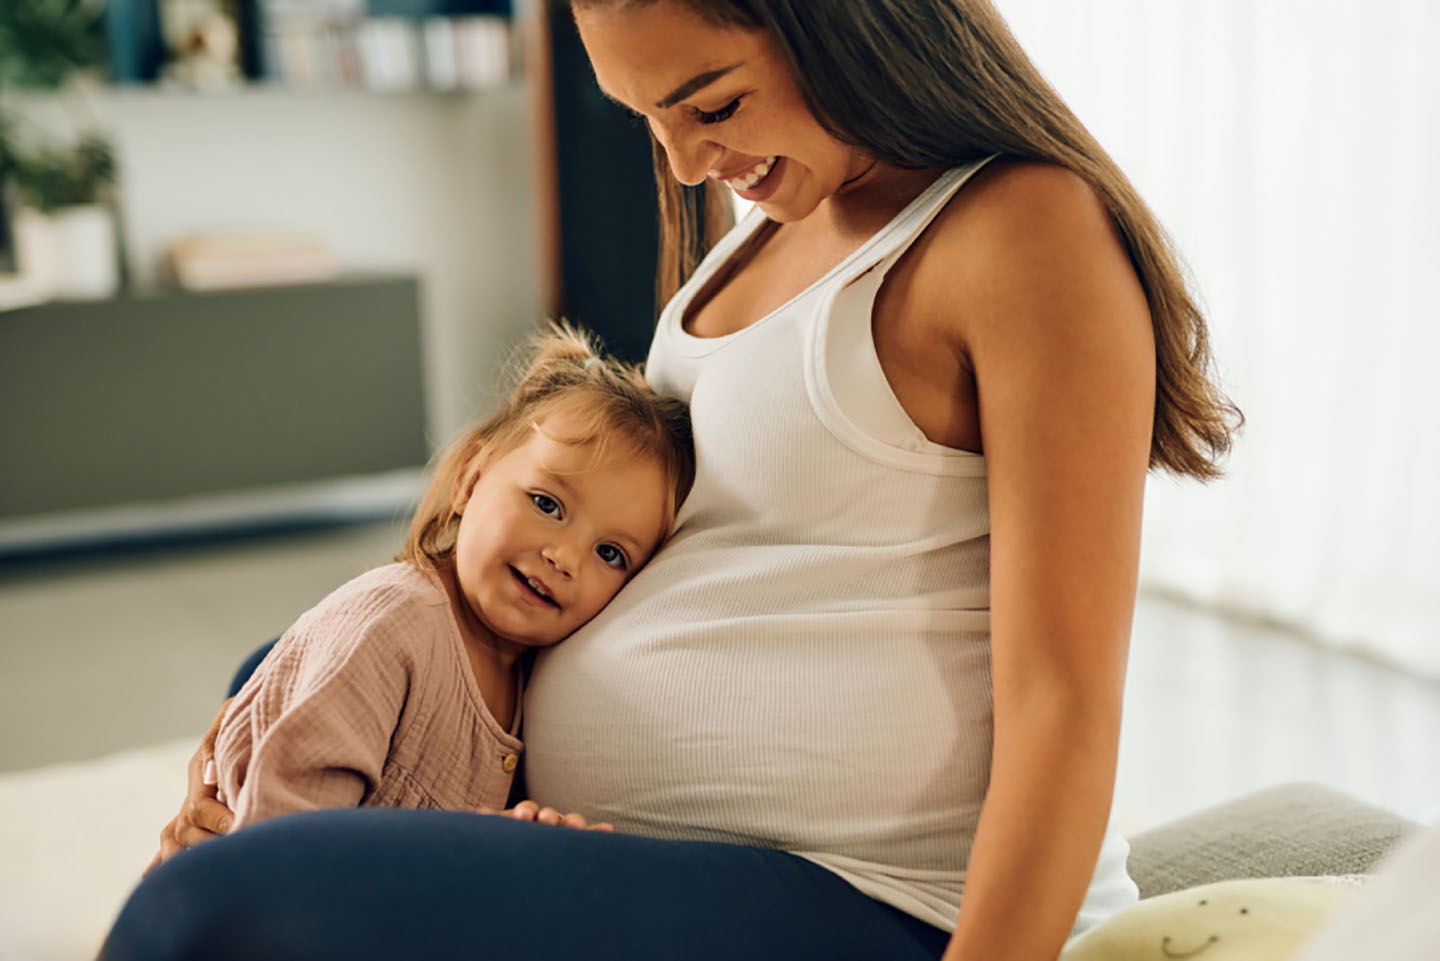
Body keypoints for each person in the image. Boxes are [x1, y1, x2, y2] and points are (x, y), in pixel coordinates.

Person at [103, 2, 1242, 960]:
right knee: (295, 669)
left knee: (212, 910)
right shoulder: (764, 230)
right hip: (616, 832)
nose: (691, 162)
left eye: (711, 104)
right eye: (650, 118)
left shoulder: (1022, 229)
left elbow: (1065, 703)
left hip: (868, 892)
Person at [203, 324, 694, 834]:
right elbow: (283, 844)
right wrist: (470, 850)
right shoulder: (391, 625)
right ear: (469, 478)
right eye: (547, 504)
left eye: (610, 553)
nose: (565, 557)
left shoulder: (530, 674)